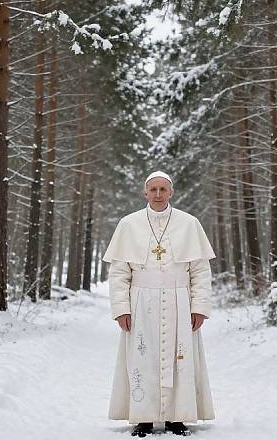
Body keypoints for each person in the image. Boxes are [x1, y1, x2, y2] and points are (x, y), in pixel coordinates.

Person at [103, 170, 215, 437]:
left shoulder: (189, 224)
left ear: (171, 192)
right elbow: (119, 273)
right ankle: (143, 417)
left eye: (162, 189)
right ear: (145, 192)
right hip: (141, 302)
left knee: (181, 359)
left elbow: (200, 271)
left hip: (180, 301)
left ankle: (178, 417)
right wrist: (121, 309)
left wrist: (199, 306)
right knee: (142, 359)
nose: (157, 194)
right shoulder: (129, 225)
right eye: (152, 189)